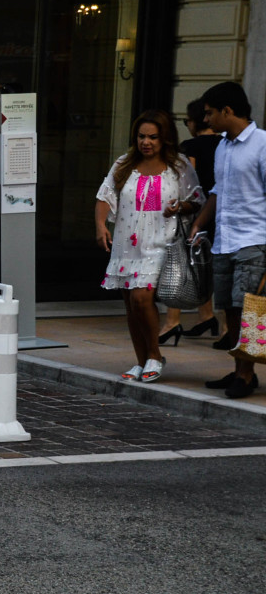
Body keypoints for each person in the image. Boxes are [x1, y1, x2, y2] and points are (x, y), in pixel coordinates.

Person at [94, 109, 203, 384]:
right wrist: (100, 226)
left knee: (142, 298)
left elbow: (197, 199)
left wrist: (182, 206)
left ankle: (154, 355)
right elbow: (105, 196)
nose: (146, 142)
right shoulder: (124, 164)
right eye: (142, 136)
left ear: (164, 138)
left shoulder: (178, 166)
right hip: (127, 244)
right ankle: (141, 360)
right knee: (131, 304)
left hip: (162, 243)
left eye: (153, 137)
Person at [190, 81, 266, 398]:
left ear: (227, 110)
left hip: (253, 240)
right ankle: (239, 370)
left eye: (209, 113)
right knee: (230, 311)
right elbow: (218, 192)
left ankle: (245, 375)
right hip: (224, 240)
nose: (206, 120)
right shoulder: (223, 146)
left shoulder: (262, 143)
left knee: (249, 309)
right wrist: (198, 225)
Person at [159, 98, 222, 343]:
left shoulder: (191, 147)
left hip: (197, 212)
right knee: (214, 267)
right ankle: (213, 320)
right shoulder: (226, 144)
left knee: (182, 264)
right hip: (220, 210)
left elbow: (187, 183)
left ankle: (172, 322)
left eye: (187, 121)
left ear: (195, 121)